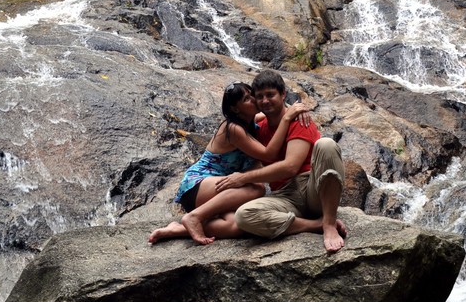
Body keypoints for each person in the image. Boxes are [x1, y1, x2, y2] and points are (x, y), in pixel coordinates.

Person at [148, 82, 308, 245]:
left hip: (223, 188)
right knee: (256, 189)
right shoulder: (233, 129)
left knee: (236, 225)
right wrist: (288, 118)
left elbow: (276, 112)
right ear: (235, 109)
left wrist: (299, 109)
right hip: (198, 185)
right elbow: (269, 154)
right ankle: (195, 217)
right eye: (247, 99)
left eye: (252, 95)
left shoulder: (252, 120)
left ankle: (178, 229)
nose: (254, 100)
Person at [217, 70, 347, 252]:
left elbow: (290, 167)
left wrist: (243, 178)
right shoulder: (258, 127)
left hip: (313, 188)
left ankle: (329, 224)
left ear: (283, 94)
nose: (265, 101)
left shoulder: (300, 120)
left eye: (270, 95)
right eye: (259, 97)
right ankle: (315, 225)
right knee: (244, 216)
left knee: (326, 144)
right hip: (285, 197)